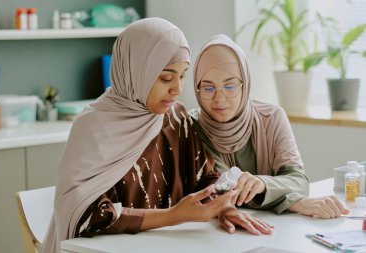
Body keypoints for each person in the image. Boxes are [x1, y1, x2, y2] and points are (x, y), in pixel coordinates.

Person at [42, 19, 273, 253]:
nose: (178, 89)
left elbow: (205, 177)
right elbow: (89, 216)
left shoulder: (175, 118)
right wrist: (173, 216)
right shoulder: (92, 129)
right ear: (136, 72)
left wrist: (222, 208)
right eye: (166, 78)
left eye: (182, 76)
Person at [190, 34, 349, 233]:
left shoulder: (272, 118)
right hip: (216, 234)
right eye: (208, 87)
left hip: (275, 232)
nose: (219, 98)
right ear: (197, 89)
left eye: (230, 86)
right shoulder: (190, 126)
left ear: (245, 84)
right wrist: (294, 203)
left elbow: (298, 181)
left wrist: (263, 183)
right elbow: (222, 192)